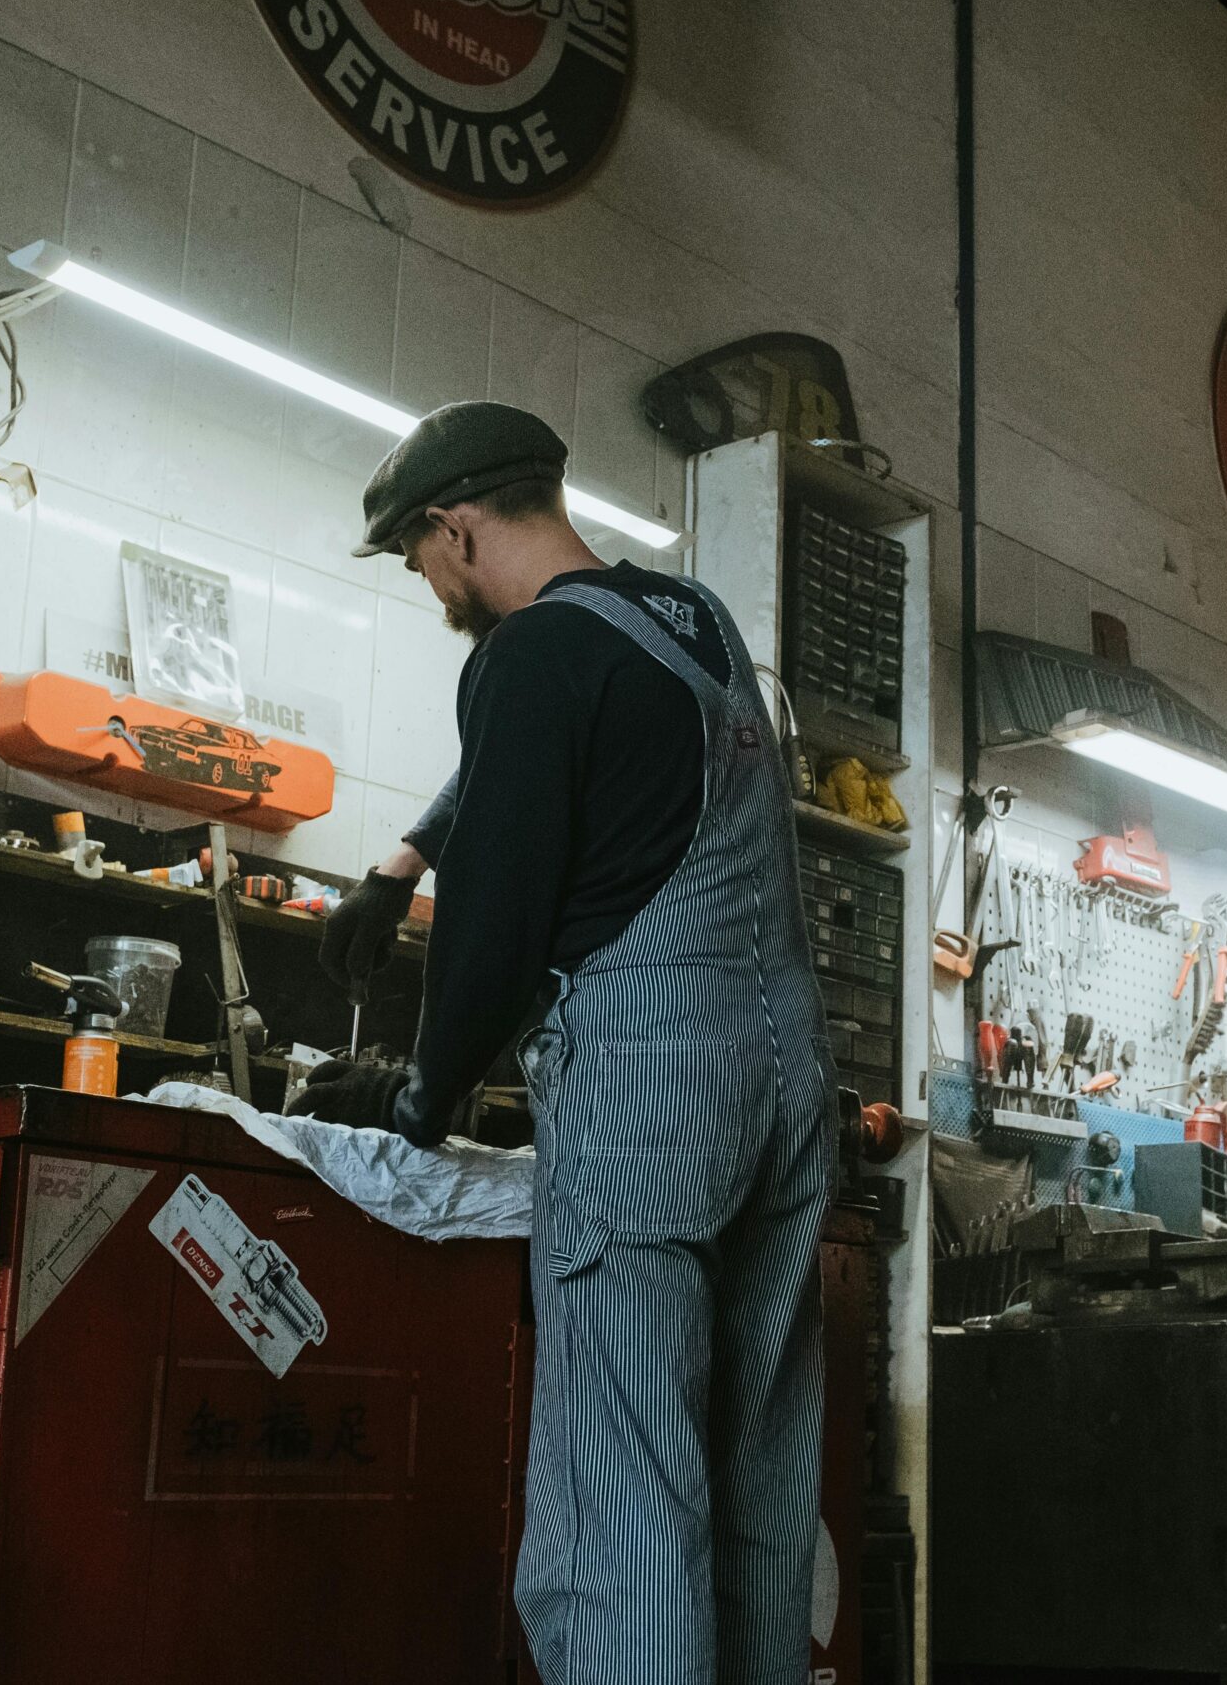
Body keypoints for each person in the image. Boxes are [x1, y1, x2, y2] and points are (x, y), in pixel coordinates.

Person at [298, 401, 835, 1685]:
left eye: (419, 559)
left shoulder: (520, 656)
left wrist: (418, 1095)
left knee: (624, 1497)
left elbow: (494, 929)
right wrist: (404, 857)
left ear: (455, 525)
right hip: (787, 1085)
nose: (429, 585)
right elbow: (578, 735)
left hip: (651, 1094)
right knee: (757, 1485)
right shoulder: (694, 620)